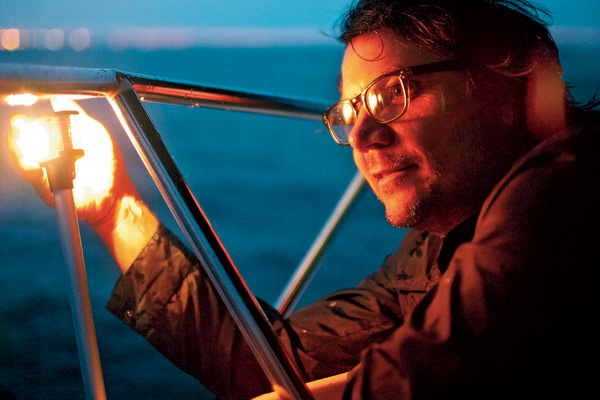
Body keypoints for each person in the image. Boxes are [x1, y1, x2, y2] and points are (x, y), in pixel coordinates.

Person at [9, 0, 600, 399]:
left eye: (392, 93)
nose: (364, 136)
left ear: (504, 86)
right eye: (350, 111)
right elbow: (270, 362)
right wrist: (113, 204)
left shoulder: (562, 192)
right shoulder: (437, 246)